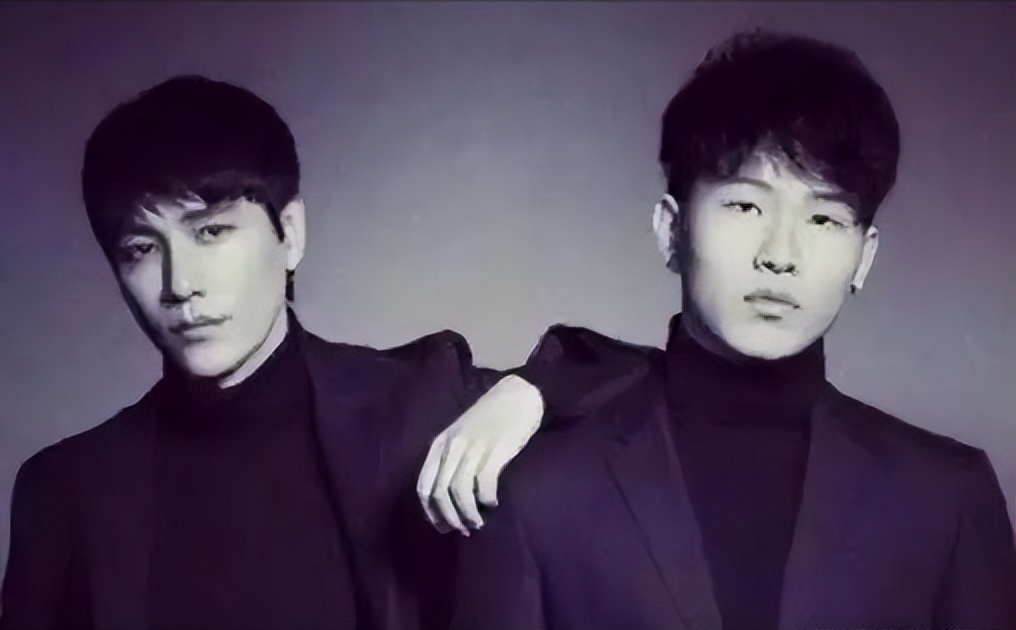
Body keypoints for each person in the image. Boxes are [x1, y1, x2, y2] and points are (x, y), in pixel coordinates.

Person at [451, 30, 1016, 629]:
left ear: (864, 257)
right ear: (671, 232)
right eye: (746, 206)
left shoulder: (947, 499)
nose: (781, 255)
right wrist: (533, 385)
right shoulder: (540, 490)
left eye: (824, 218)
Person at [0, 75, 545, 630]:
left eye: (211, 232)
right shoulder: (65, 490)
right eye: (141, 248)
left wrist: (528, 393)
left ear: (290, 233)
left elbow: (600, 379)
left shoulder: (415, 403)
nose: (180, 284)